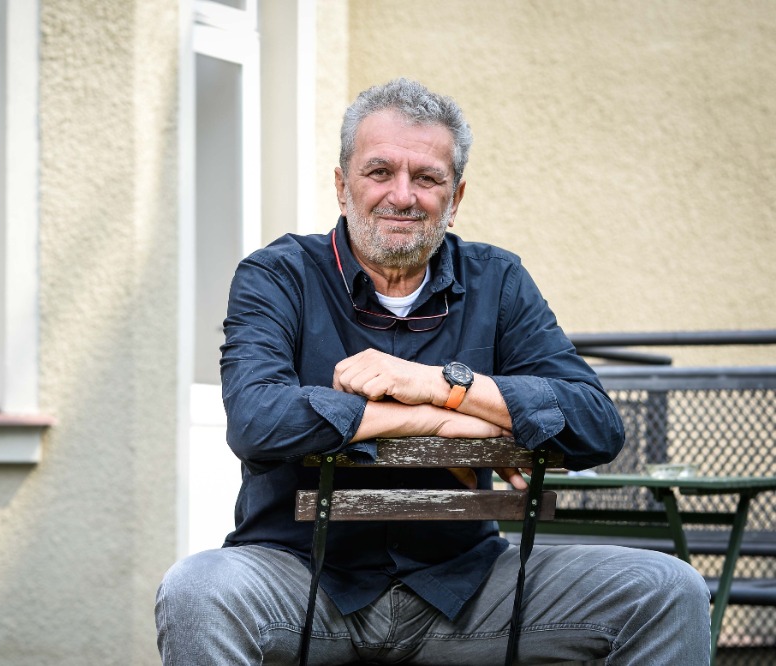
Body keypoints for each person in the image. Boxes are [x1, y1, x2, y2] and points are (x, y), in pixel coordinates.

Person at [156, 78, 710, 665]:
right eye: (379, 172)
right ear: (341, 185)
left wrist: (440, 384)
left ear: (456, 196)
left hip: (468, 588)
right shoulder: (278, 276)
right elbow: (257, 420)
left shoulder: (498, 281)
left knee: (667, 589)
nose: (402, 195)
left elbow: (596, 425)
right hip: (301, 580)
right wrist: (446, 419)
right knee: (198, 592)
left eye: (426, 178)